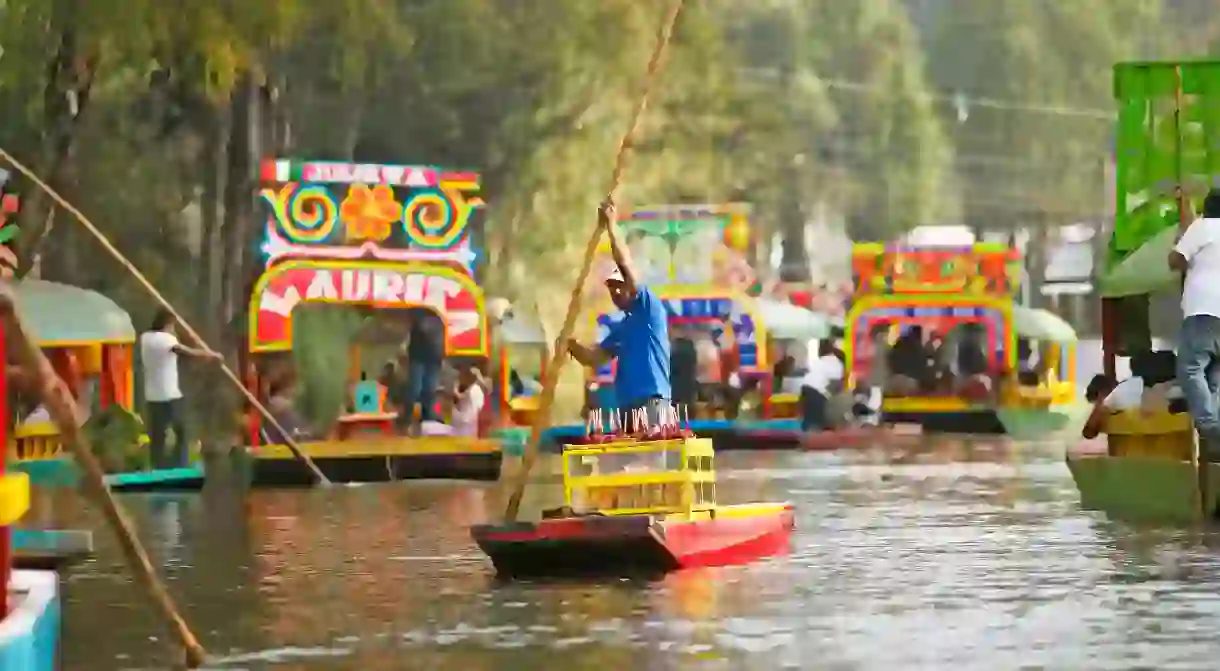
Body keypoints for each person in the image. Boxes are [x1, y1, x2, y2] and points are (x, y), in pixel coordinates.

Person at [563, 200, 672, 427]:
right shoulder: (623, 328)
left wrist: (612, 226)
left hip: (652, 403)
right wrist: (568, 344)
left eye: (619, 286)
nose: (615, 292)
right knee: (631, 462)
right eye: (611, 288)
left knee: (651, 460)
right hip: (627, 408)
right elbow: (593, 358)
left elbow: (624, 263)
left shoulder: (648, 308)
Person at [1170, 187, 1220, 455]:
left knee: (1190, 368)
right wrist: (1183, 204)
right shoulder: (1201, 229)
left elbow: (1175, 260)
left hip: (1204, 311)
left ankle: (1211, 428)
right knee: (1215, 375)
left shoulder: (1203, 227)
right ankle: (1215, 441)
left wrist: (1177, 248)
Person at [139, 309, 221, 468]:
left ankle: (158, 466)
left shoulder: (145, 338)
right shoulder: (166, 339)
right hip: (169, 395)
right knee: (181, 431)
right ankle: (180, 464)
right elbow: (186, 352)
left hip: (152, 396)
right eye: (173, 325)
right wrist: (211, 355)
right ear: (168, 324)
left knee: (158, 435)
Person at [400, 309, 445, 432]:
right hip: (419, 354)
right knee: (416, 389)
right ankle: (408, 418)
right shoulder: (420, 309)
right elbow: (419, 326)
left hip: (434, 354)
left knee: (429, 389)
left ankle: (427, 418)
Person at [798, 341, 844, 432]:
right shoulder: (836, 364)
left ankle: (806, 440)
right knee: (818, 422)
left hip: (805, 388)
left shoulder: (818, 361)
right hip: (817, 391)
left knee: (808, 419)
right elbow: (834, 385)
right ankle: (817, 441)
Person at [450, 366, 487, 437]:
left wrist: (455, 386)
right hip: (472, 422)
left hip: (465, 422)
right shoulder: (478, 390)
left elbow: (459, 396)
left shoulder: (472, 390)